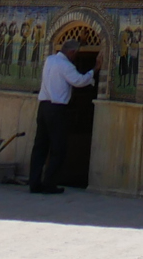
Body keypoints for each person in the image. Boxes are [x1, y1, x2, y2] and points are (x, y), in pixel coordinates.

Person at [28, 40, 96, 193]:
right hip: (56, 109)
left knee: (40, 146)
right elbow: (79, 81)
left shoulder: (50, 60)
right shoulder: (66, 66)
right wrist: (94, 70)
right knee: (58, 148)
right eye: (75, 54)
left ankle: (34, 182)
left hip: (43, 107)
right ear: (72, 52)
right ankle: (48, 183)